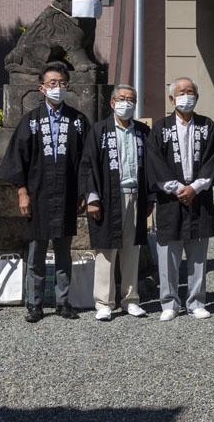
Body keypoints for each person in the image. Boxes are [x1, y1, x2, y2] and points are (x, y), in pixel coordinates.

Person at [0, 62, 90, 323]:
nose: (57, 88)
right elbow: (18, 159)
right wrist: (22, 193)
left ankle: (63, 302)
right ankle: (35, 304)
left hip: (67, 196)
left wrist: (83, 194)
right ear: (41, 88)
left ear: (68, 85)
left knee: (64, 253)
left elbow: (86, 161)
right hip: (38, 195)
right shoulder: (31, 121)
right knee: (37, 253)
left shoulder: (78, 121)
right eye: (52, 83)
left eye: (62, 83)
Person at [145, 77, 214, 321]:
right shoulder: (160, 128)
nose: (186, 96)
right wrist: (178, 188)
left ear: (196, 98)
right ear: (171, 99)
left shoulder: (207, 126)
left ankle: (196, 301)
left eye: (190, 92)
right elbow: (154, 162)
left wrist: (196, 187)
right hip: (170, 198)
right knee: (168, 253)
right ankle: (169, 302)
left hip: (199, 197)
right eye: (181, 92)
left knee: (198, 253)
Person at [80, 83, 151, 321]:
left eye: (131, 99)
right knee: (106, 250)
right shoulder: (99, 130)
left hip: (135, 195)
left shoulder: (142, 131)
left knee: (132, 249)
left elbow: (151, 167)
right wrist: (92, 198)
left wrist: (151, 196)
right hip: (108, 195)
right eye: (121, 99)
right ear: (112, 103)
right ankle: (103, 302)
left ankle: (130, 299)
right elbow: (88, 165)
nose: (126, 103)